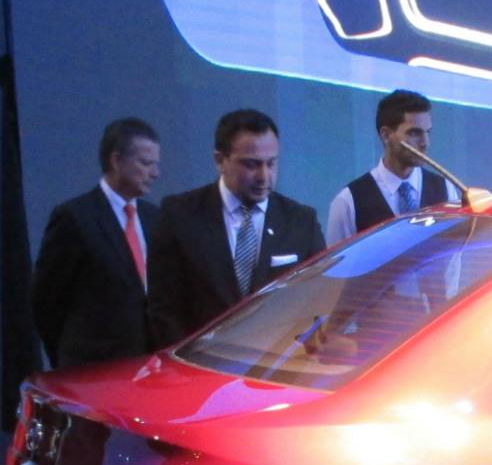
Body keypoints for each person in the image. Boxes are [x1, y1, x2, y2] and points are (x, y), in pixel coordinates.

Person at [147, 108, 324, 347]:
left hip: (278, 362)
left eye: (271, 163)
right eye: (251, 164)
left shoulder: (301, 221)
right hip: (199, 362)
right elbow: (164, 310)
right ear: (220, 160)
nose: (264, 176)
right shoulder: (179, 216)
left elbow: (318, 301)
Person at [31, 118, 163, 368]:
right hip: (93, 365)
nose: (155, 173)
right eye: (146, 163)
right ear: (116, 161)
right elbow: (46, 300)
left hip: (146, 364)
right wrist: (66, 359)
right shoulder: (75, 217)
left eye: (156, 164)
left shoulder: (153, 217)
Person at [325, 89, 458, 246]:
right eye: (414, 133)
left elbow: (454, 254)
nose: (425, 143)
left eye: (428, 132)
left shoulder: (446, 190)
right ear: (386, 135)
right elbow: (336, 260)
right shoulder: (349, 202)